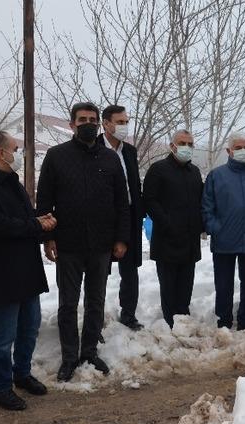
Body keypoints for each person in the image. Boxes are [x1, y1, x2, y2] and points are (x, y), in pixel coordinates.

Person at [38, 102, 131, 380]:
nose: (88, 123)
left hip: (101, 245)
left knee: (96, 301)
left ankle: (89, 351)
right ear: (72, 124)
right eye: (82, 119)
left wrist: (121, 239)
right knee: (68, 303)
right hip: (68, 244)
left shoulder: (110, 159)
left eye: (92, 119)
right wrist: (48, 238)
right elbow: (44, 202)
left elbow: (121, 204)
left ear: (100, 123)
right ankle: (69, 356)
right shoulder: (56, 157)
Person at [0, 131, 54, 410]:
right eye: (14, 149)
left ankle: (22, 373)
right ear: (0, 153)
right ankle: (1, 387)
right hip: (1, 270)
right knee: (4, 335)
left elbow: (22, 219)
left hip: (26, 267)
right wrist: (35, 226)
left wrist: (39, 220)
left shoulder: (12, 183)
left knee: (30, 327)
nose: (18, 154)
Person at [201, 132, 245, 330]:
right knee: (223, 285)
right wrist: (215, 228)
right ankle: (224, 320)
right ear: (229, 150)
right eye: (238, 148)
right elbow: (207, 206)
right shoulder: (216, 175)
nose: (243, 151)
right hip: (224, 240)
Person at [143, 129, 204, 328]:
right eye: (182, 143)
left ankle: (183, 319)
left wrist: (200, 225)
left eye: (190, 144)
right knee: (168, 286)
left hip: (190, 240)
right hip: (167, 240)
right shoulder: (158, 169)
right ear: (172, 146)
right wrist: (167, 223)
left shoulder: (194, 172)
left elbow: (199, 201)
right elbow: (150, 201)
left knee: (186, 285)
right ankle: (170, 323)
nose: (186, 147)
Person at [98, 105, 145, 332]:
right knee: (100, 270)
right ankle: (95, 317)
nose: (124, 126)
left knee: (130, 270)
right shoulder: (94, 148)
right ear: (106, 123)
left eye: (126, 122)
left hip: (130, 215)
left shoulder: (130, 151)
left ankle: (129, 314)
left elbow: (133, 185)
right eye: (120, 122)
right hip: (104, 218)